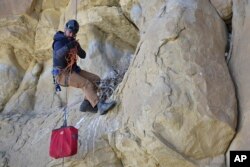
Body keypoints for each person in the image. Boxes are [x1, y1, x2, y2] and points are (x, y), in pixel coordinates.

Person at [52, 19, 116, 115]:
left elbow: (83, 55)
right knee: (86, 84)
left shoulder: (72, 41)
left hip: (72, 70)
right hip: (62, 74)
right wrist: (69, 46)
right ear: (65, 29)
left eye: (73, 34)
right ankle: (99, 105)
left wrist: (77, 47)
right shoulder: (59, 41)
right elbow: (58, 55)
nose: (71, 35)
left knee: (95, 79)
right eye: (70, 32)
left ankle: (86, 104)